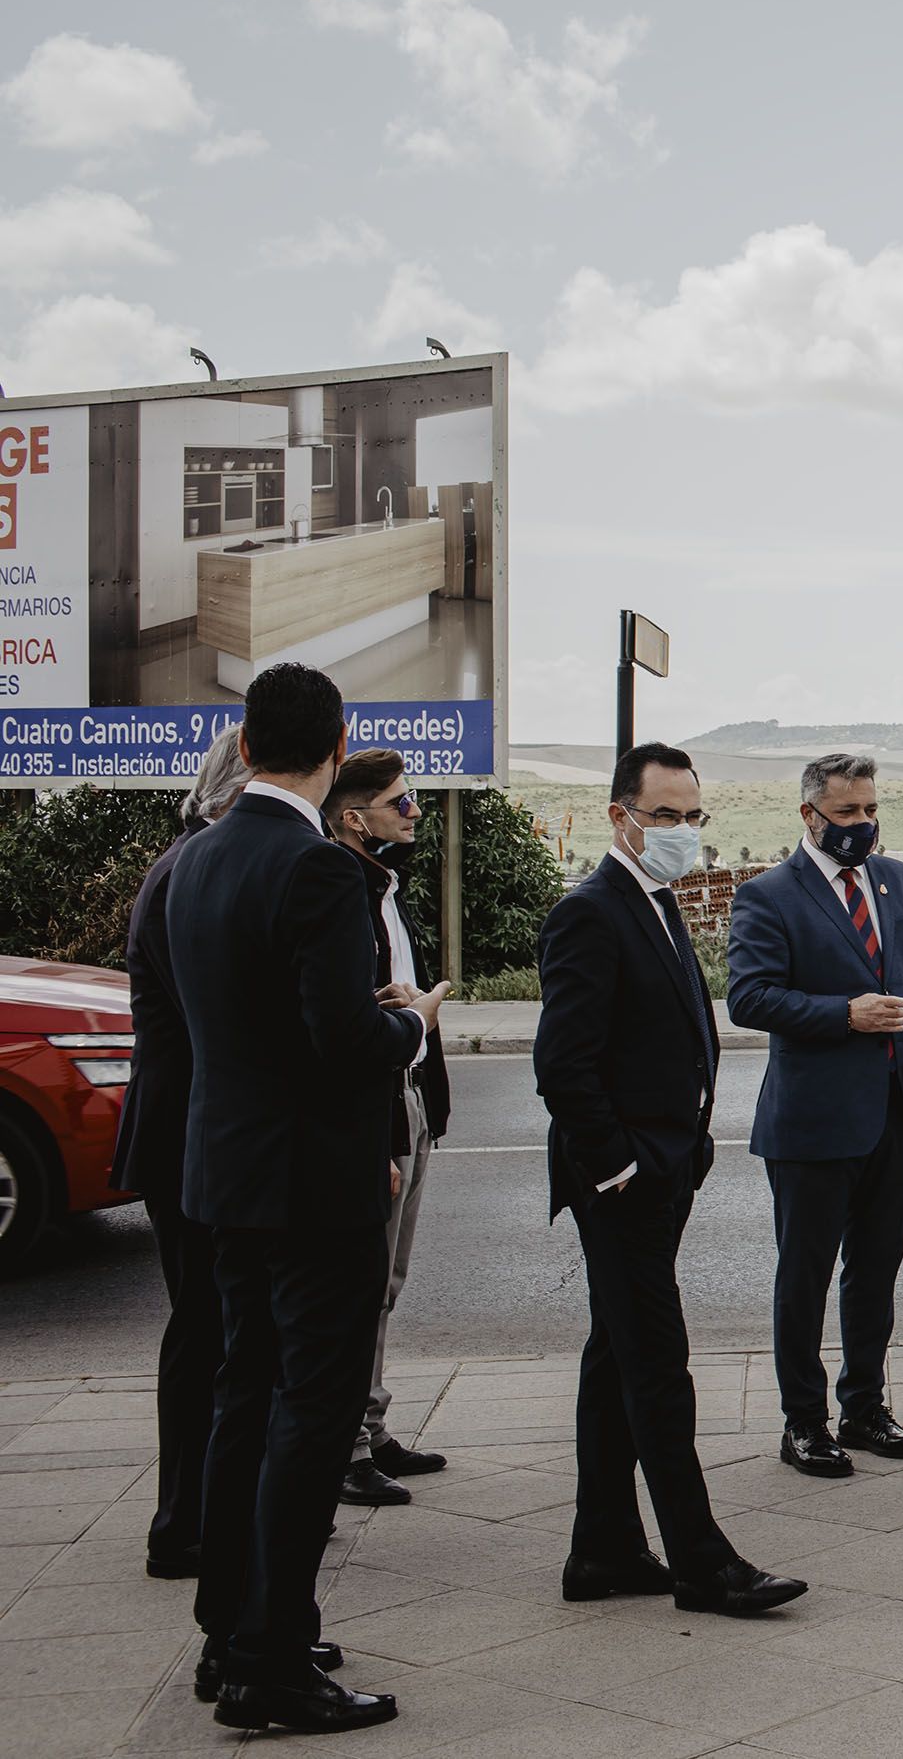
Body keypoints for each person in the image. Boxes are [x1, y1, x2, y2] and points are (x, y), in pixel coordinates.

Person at [171, 664, 442, 1733]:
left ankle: (228, 1631)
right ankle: (274, 1660)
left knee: (242, 1402)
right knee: (313, 1418)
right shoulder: (318, 871)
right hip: (314, 1186)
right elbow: (342, 1039)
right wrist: (412, 1020)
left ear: (243, 745)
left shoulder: (197, 859)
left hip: (225, 1174)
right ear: (337, 748)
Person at [535, 743, 804, 1619]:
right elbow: (563, 1066)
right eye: (666, 816)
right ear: (621, 818)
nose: (684, 832)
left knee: (616, 1352)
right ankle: (701, 1559)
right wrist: (618, 1168)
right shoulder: (592, 910)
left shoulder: (651, 900)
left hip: (663, 1167)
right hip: (623, 1182)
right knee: (657, 1362)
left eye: (694, 816)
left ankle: (603, 1547)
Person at [727, 752, 903, 1476]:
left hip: (895, 1109)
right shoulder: (769, 895)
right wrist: (842, 1014)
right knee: (806, 1276)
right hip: (813, 1120)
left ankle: (864, 1407)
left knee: (875, 1270)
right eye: (847, 813)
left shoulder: (898, 880)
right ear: (810, 815)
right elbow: (749, 998)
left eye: (871, 810)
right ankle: (804, 1421)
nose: (863, 825)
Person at [112, 726, 252, 1583]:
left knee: (207, 1327)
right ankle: (185, 1521)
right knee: (206, 1329)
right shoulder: (195, 872)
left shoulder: (185, 863)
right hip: (191, 1134)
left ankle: (201, 1511)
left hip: (188, 1129)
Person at [323, 748, 454, 1507]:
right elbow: (348, 1029)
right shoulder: (341, 891)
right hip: (377, 1102)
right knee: (362, 1281)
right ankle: (343, 1446)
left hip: (409, 1096)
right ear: (354, 817)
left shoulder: (384, 887)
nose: (413, 813)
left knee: (388, 1280)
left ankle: (369, 1427)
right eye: (400, 803)